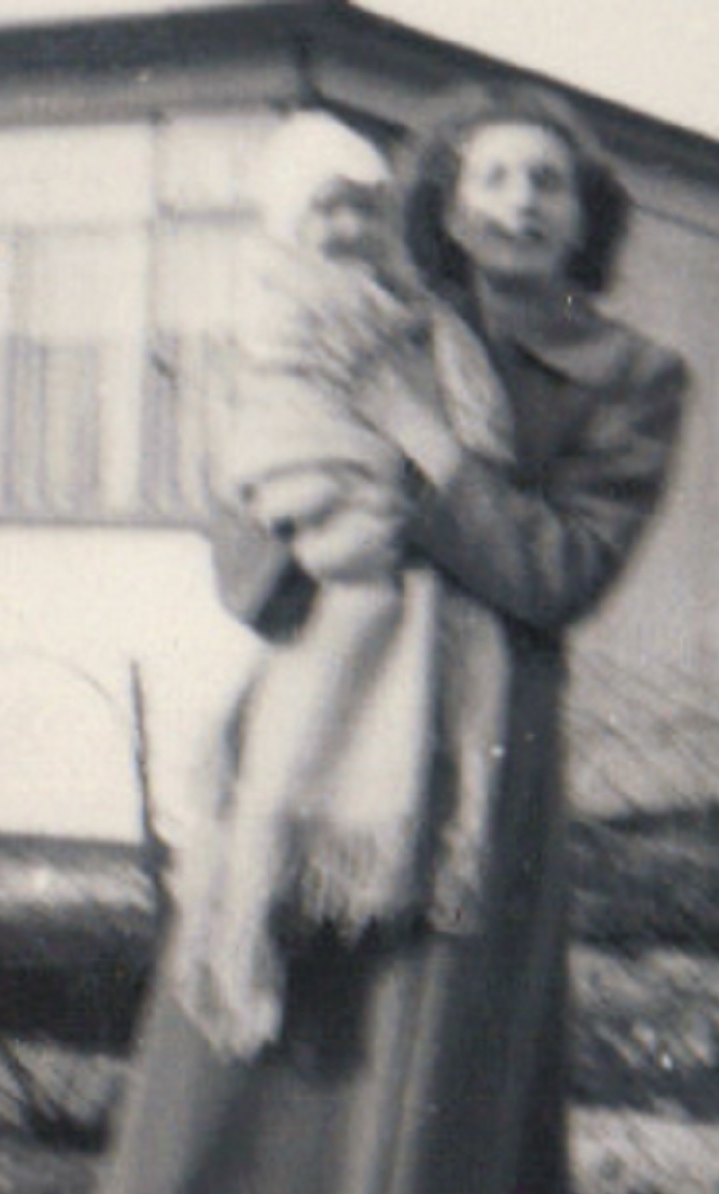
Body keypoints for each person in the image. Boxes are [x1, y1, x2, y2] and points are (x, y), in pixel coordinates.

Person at [100, 83, 689, 1194]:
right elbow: (243, 528)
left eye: (547, 181)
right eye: (489, 177)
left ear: (583, 213)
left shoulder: (626, 374)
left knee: (460, 1108)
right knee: (340, 1094)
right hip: (334, 756)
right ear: (442, 198)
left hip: (486, 772)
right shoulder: (348, 313)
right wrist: (300, 536)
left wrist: (422, 449)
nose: (517, 202)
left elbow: (557, 572)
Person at [174, 110, 516, 1060]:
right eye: (326, 212)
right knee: (276, 771)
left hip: (411, 582)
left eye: (365, 213)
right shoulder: (273, 310)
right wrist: (315, 496)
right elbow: (258, 432)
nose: (347, 232)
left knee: (418, 751)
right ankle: (243, 943)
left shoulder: (413, 320)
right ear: (286, 220)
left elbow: (475, 451)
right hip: (321, 556)